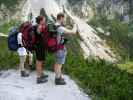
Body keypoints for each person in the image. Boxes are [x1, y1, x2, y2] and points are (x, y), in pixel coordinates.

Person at [54, 13, 78, 85]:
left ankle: (58, 76)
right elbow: (73, 32)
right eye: (64, 18)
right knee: (59, 64)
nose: (64, 20)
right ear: (61, 18)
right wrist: (75, 26)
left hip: (55, 47)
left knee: (56, 63)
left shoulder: (54, 25)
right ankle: (57, 80)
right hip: (60, 48)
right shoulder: (60, 28)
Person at [34, 16, 48, 84]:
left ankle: (41, 73)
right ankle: (39, 78)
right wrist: (42, 27)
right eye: (44, 20)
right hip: (39, 47)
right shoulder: (39, 27)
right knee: (39, 62)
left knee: (40, 61)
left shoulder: (39, 26)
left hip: (40, 46)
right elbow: (39, 32)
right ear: (41, 21)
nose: (45, 21)